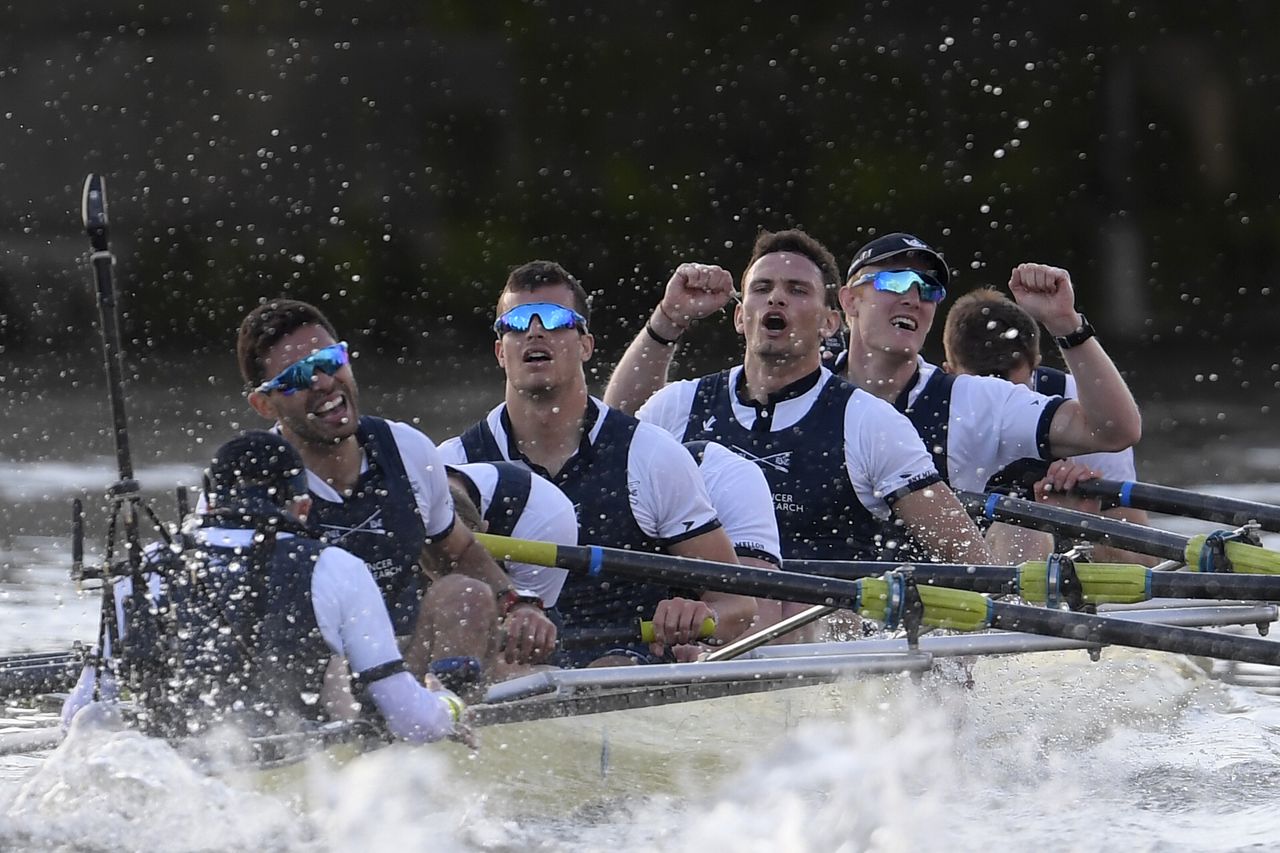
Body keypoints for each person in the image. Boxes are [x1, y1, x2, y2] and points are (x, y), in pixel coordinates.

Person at [602, 229, 993, 587]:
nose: (776, 298)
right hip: (701, 636)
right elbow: (606, 441)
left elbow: (970, 563)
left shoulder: (868, 423)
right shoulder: (679, 405)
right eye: (762, 288)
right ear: (740, 317)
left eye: (797, 290)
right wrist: (668, 320)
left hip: (818, 638)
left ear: (828, 323)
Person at [439, 261, 757, 666]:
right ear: (501, 351)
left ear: (586, 346)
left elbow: (738, 604)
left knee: (613, 666)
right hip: (510, 668)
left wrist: (703, 616)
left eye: (555, 320)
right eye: (517, 322)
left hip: (622, 664)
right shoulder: (453, 464)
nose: (535, 331)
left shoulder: (649, 455)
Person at [63, 432, 468, 746]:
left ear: (207, 501)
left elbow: (78, 717)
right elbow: (412, 722)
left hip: (168, 778)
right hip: (285, 773)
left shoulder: (142, 569)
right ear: (302, 506)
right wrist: (447, 701)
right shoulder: (335, 568)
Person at [237, 299, 555, 679]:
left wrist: (516, 603)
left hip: (403, 660)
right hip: (311, 680)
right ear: (263, 404)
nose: (322, 382)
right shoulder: (251, 489)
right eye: (297, 378)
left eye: (328, 361)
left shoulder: (407, 449)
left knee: (465, 595)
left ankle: (448, 715)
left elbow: (458, 551)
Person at [941, 287, 1158, 565]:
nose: (1001, 404)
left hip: (1054, 556)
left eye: (1011, 389)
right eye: (982, 391)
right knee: (1021, 527)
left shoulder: (1089, 406)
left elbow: (1144, 558)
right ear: (948, 375)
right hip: (971, 562)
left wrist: (1083, 518)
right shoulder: (929, 407)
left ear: (1036, 366)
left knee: (1026, 527)